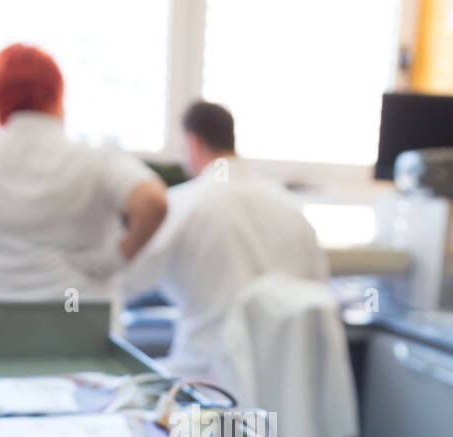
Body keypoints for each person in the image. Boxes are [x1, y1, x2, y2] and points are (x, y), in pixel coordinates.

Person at [120, 100, 329, 383]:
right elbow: (316, 286)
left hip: (207, 383)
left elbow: (129, 282)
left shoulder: (185, 203)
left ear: (192, 143)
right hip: (285, 386)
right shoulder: (289, 206)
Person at [0, 43, 167, 300]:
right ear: (57, 95)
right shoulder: (93, 160)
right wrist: (113, 260)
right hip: (77, 316)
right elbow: (153, 202)